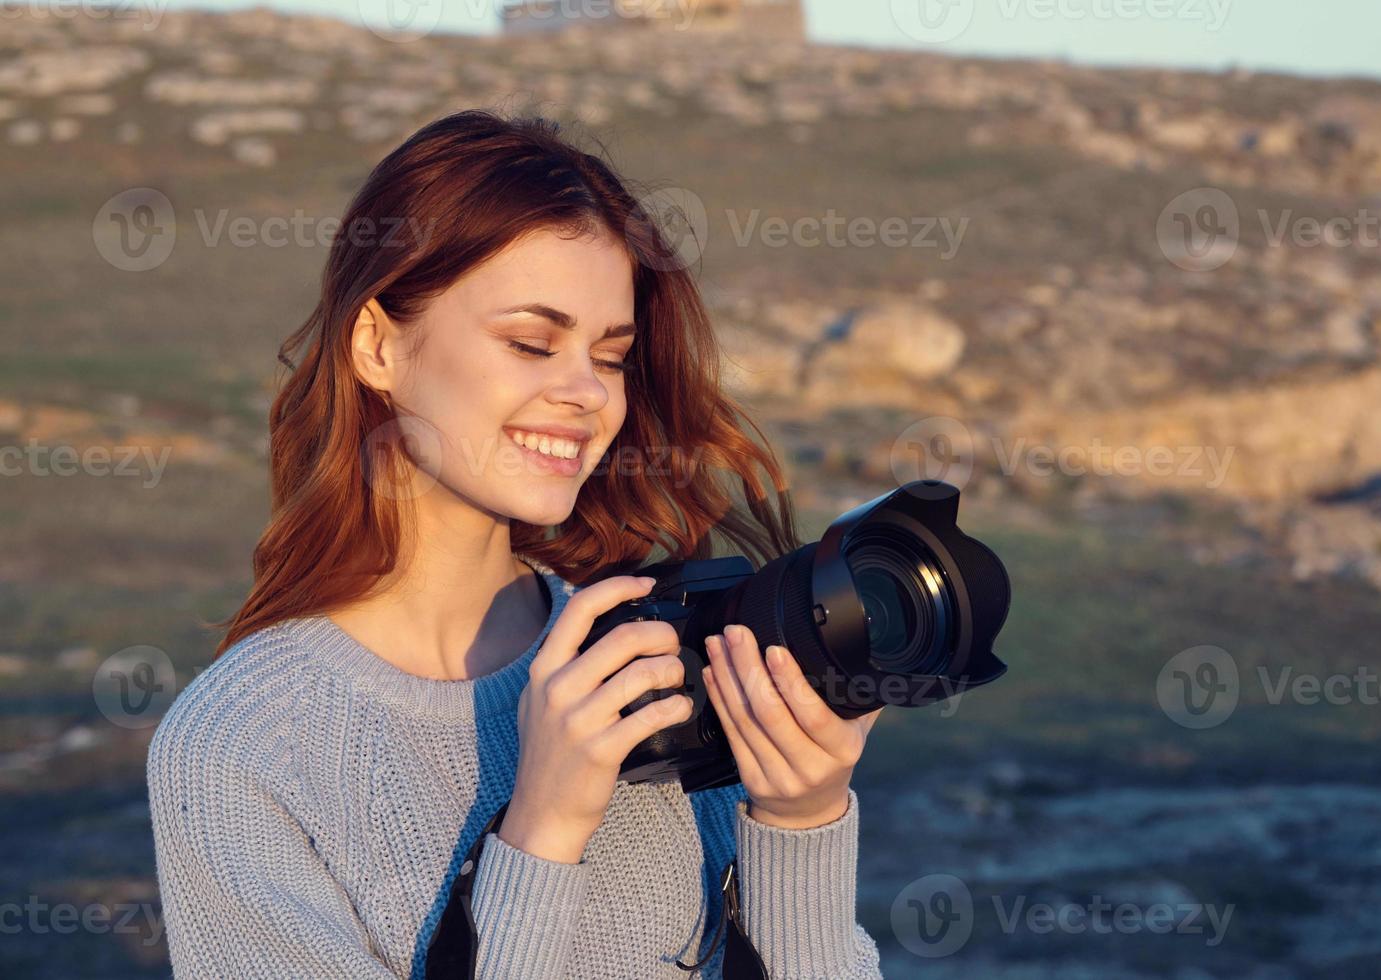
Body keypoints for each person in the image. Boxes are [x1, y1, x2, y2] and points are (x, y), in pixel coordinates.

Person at [146, 109, 885, 979]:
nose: (585, 394)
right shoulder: (241, 745)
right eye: (531, 343)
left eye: (610, 356)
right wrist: (540, 830)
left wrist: (800, 824)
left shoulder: (652, 661)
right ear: (377, 346)